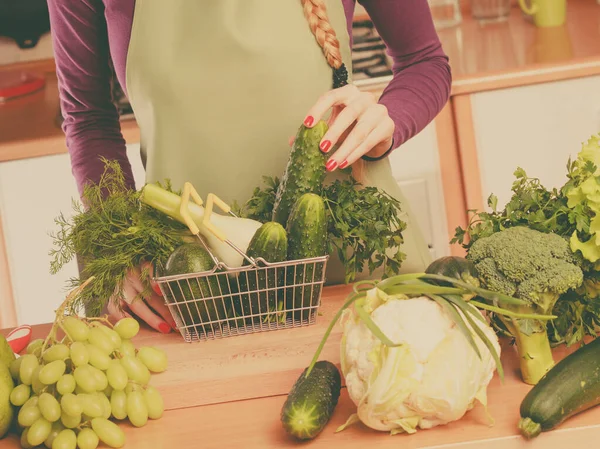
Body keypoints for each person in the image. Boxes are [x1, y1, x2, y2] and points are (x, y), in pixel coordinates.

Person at [48, 0, 452, 333]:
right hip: (194, 285)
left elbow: (425, 61)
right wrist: (117, 247)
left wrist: (387, 119)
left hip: (356, 264)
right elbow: (87, 117)